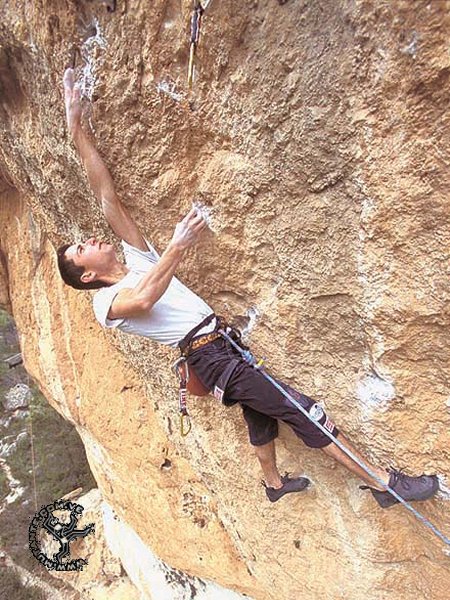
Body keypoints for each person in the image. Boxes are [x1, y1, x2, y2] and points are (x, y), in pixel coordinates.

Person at [57, 67, 439, 506]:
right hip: (211, 356)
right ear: (87, 274)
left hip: (219, 346)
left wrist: (76, 126)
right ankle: (384, 484)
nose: (90, 240)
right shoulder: (105, 301)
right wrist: (177, 246)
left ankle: (273, 484)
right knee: (298, 409)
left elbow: (104, 190)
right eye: (82, 248)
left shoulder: (137, 259)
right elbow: (143, 300)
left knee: (260, 411)